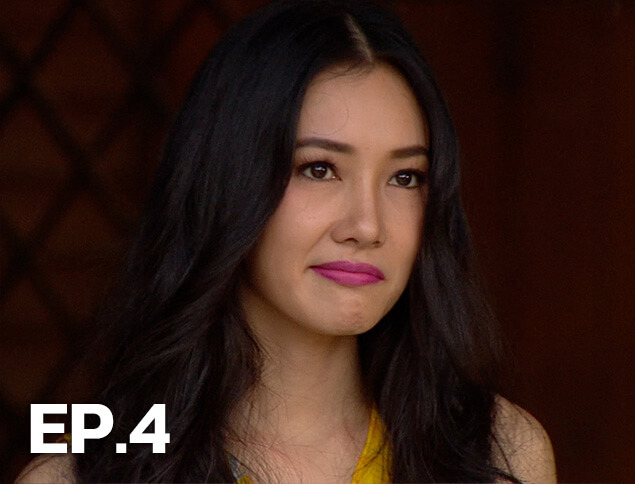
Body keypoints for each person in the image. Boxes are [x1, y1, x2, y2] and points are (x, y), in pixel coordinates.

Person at [17, 0, 556, 482]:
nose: (367, 226)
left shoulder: (495, 453)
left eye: (405, 177)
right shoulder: (91, 474)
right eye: (319, 168)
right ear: (227, 183)